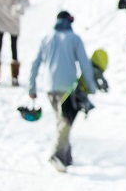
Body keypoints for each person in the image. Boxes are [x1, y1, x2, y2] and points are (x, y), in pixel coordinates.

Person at [28, 10, 97, 173]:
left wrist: (32, 86)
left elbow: (35, 63)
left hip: (49, 87)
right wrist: (91, 86)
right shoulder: (74, 39)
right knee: (65, 120)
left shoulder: (46, 38)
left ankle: (66, 155)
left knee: (61, 120)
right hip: (68, 88)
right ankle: (57, 155)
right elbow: (84, 63)